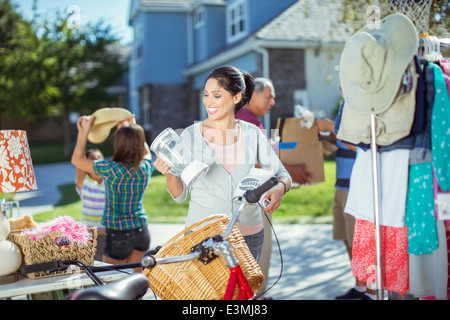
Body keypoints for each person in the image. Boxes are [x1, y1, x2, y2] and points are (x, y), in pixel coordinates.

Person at [154, 66, 292, 262]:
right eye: (206, 95)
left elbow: (283, 174)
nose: (208, 102)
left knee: (243, 292)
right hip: (201, 236)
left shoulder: (252, 133)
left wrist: (280, 187)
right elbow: (179, 196)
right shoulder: (190, 136)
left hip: (248, 236)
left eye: (216, 95)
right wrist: (170, 173)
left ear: (236, 97)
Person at [71, 115, 154, 271]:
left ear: (118, 144)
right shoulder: (145, 168)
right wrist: (133, 128)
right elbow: (145, 151)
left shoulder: (110, 168)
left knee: (110, 282)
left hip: (118, 235)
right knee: (136, 282)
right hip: (141, 231)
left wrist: (84, 132)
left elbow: (77, 160)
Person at [316, 117, 373, 300]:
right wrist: (329, 135)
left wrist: (333, 127)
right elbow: (342, 139)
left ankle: (372, 292)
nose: (341, 89)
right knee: (348, 241)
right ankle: (360, 286)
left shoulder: (361, 107)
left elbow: (365, 147)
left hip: (356, 189)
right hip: (340, 186)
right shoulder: (346, 109)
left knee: (361, 243)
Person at [75, 148, 106, 261]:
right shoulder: (84, 182)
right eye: (92, 158)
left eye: (99, 157)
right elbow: (78, 159)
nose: (96, 161)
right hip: (90, 238)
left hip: (109, 237)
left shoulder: (110, 181)